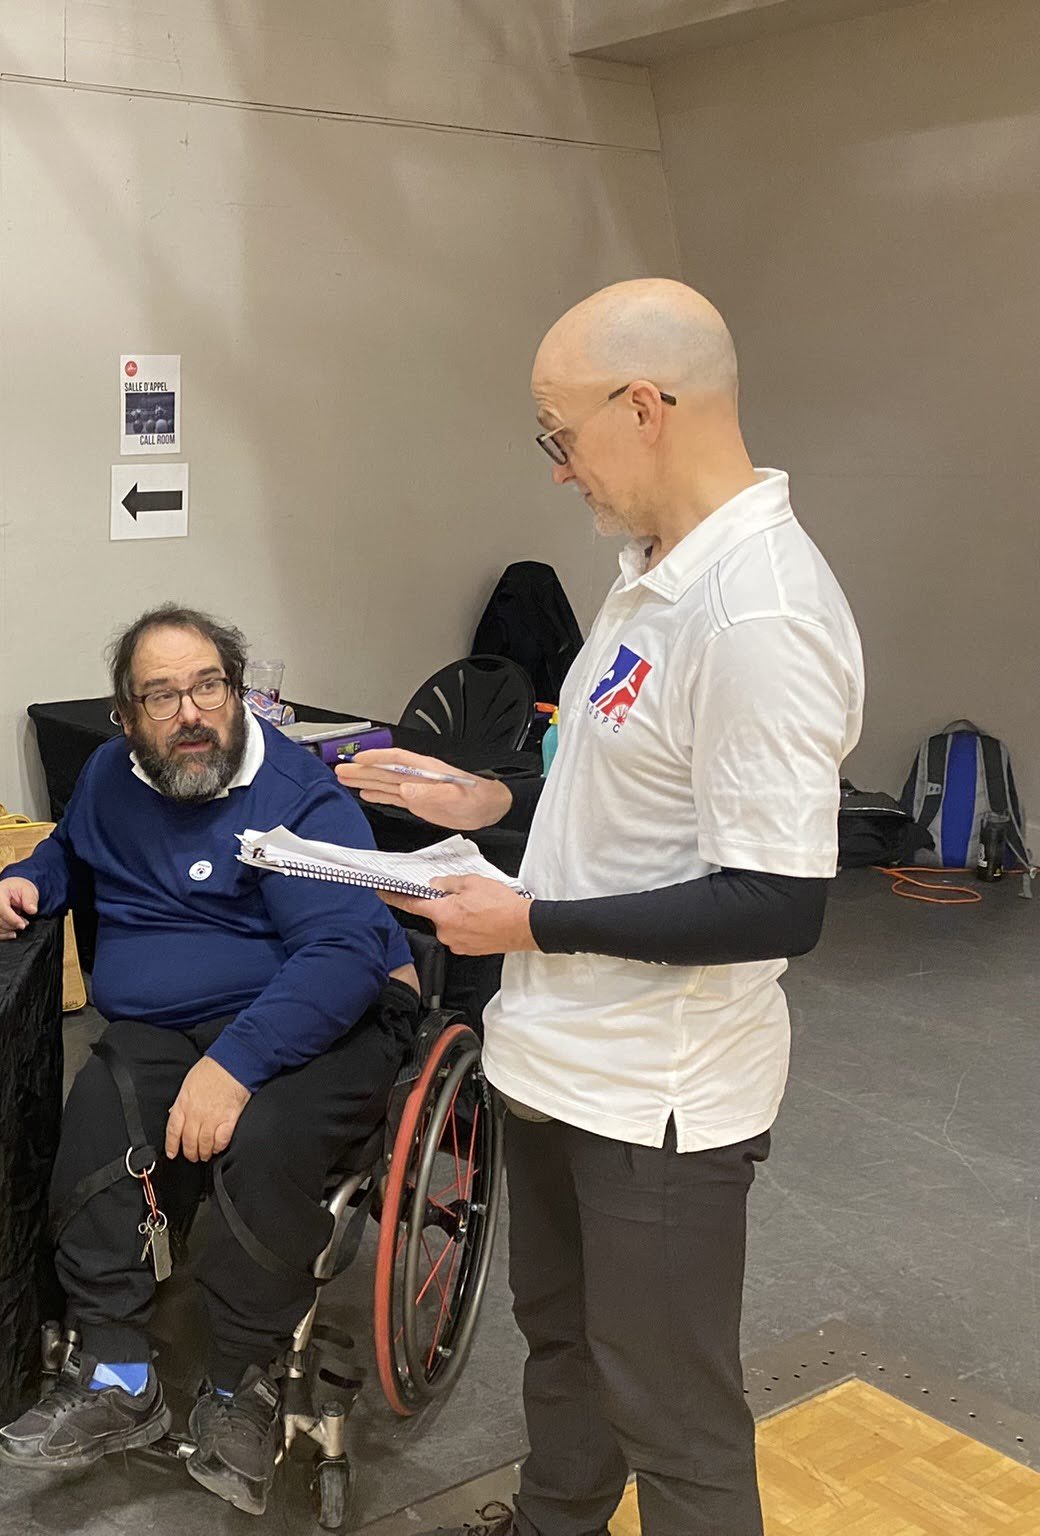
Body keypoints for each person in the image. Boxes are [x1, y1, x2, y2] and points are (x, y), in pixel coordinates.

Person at [340, 279, 863, 1536]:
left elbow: (773, 899)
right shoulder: (649, 580)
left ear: (644, 408)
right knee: (562, 1346)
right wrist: (486, 802)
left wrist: (526, 926)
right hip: (564, 1060)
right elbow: (622, 815)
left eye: (558, 437)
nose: (559, 471)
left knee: (671, 1415)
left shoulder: (757, 614)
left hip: (659, 1102)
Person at [0, 604, 419, 1516]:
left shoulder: (299, 798)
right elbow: (74, 846)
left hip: (313, 1012)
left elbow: (341, 956)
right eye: (163, 695)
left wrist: (237, 1065)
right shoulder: (111, 778)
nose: (192, 712)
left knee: (265, 1140)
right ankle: (116, 1373)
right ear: (127, 719)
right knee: (101, 1109)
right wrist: (33, 877)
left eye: (209, 686)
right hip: (168, 1025)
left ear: (239, 692)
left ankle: (241, 1383)